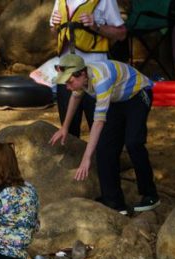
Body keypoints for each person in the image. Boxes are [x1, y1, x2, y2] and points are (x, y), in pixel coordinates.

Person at [49, 54, 159, 213]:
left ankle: (150, 195)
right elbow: (75, 97)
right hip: (116, 100)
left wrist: (86, 158)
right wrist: (64, 127)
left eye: (69, 81)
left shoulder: (101, 80)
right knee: (105, 148)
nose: (67, 86)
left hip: (138, 95)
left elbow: (98, 122)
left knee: (133, 142)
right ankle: (114, 201)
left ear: (82, 74)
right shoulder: (82, 81)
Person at [50, 0, 126, 138]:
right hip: (67, 76)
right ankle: (74, 159)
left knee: (101, 130)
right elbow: (55, 33)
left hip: (95, 75)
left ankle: (102, 159)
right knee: (69, 133)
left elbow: (121, 34)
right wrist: (55, 27)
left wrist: (96, 26)